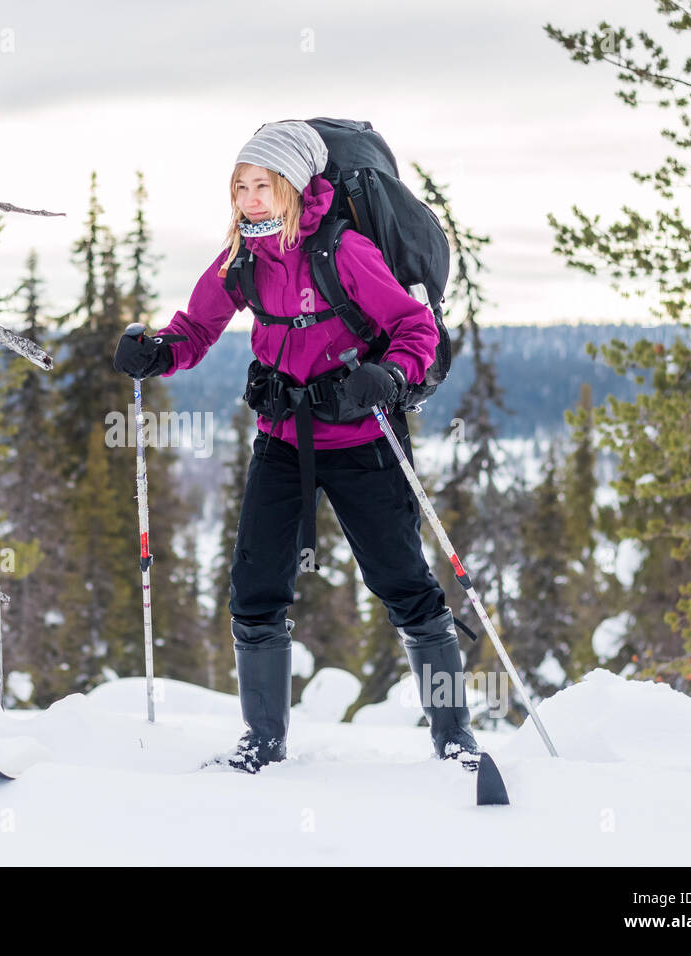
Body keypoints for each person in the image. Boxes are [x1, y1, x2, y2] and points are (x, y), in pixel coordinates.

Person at [112, 120, 478, 773]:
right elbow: (196, 328)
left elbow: (413, 327)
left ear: (296, 185)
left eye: (264, 184)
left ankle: (454, 737)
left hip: (366, 440)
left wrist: (390, 375)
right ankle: (263, 742)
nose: (251, 198)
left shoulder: (345, 252)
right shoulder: (242, 260)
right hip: (281, 441)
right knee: (254, 591)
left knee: (407, 589)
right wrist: (158, 352)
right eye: (241, 186)